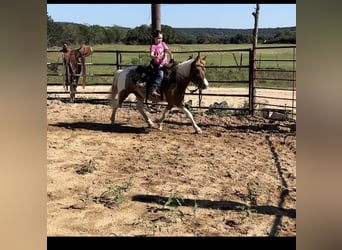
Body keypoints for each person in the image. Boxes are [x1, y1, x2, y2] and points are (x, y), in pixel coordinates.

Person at [149, 30, 173, 97]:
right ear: (154, 38)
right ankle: (154, 89)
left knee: (173, 72)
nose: (160, 39)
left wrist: (170, 55)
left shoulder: (163, 44)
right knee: (160, 75)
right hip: (158, 65)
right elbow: (151, 55)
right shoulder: (153, 46)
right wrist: (155, 56)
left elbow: (167, 50)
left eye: (161, 38)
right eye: (158, 38)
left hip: (165, 63)